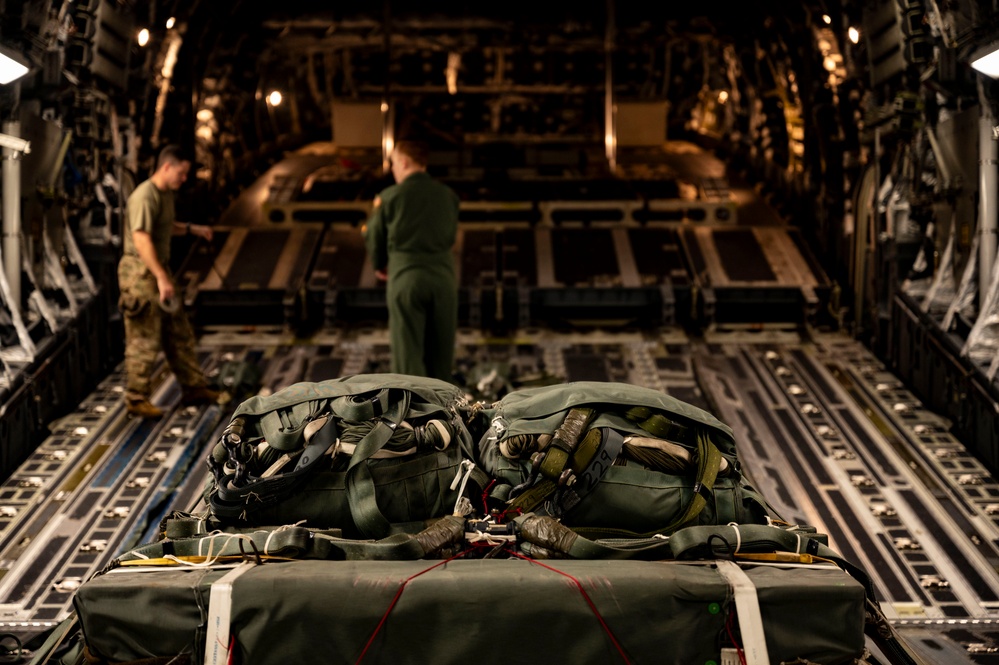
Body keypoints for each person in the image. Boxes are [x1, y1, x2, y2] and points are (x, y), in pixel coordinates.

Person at [118, 144, 219, 418]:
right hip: (140, 272)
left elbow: (164, 226)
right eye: (182, 173)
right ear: (167, 167)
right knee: (144, 336)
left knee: (178, 331)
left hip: (157, 268)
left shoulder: (165, 196)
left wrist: (191, 229)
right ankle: (136, 398)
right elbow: (141, 239)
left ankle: (193, 387)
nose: (184, 179)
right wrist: (162, 278)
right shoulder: (144, 196)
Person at [364, 140, 460, 382]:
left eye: (394, 163)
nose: (393, 169)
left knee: (408, 357)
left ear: (405, 162)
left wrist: (380, 265)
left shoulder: (389, 197)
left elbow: (374, 236)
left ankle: (416, 416)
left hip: (406, 279)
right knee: (441, 355)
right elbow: (450, 237)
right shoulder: (448, 196)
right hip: (443, 281)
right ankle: (444, 414)